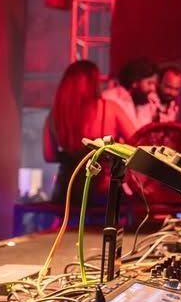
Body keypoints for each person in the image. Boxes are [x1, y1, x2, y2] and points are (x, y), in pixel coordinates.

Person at [43, 60, 134, 204]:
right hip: (103, 193)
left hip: (67, 192)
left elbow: (49, 156)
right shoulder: (109, 109)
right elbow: (138, 141)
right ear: (93, 82)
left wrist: (71, 155)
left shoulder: (55, 115)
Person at [101, 57, 159, 129]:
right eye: (149, 83)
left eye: (155, 84)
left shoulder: (146, 103)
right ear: (135, 82)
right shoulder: (110, 98)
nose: (153, 89)